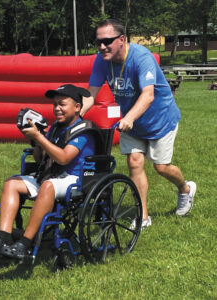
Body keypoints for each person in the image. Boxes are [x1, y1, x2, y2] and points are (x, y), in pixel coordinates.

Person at [81, 19, 196, 229]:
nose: (101, 46)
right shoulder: (101, 60)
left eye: (107, 41)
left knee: (161, 167)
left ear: (121, 40)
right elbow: (92, 94)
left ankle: (185, 188)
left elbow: (148, 95)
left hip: (159, 119)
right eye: (98, 42)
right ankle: (143, 216)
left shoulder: (141, 57)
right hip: (131, 122)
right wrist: (77, 113)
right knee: (134, 162)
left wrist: (129, 118)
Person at [0, 84, 95, 257]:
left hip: (74, 179)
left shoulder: (84, 131)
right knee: (11, 183)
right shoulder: (56, 127)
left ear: (77, 107)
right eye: (55, 104)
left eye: (62, 104)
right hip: (52, 174)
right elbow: (41, 159)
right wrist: (36, 140)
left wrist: (40, 136)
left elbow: (63, 158)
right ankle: (2, 237)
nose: (57, 109)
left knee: (48, 186)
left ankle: (25, 243)